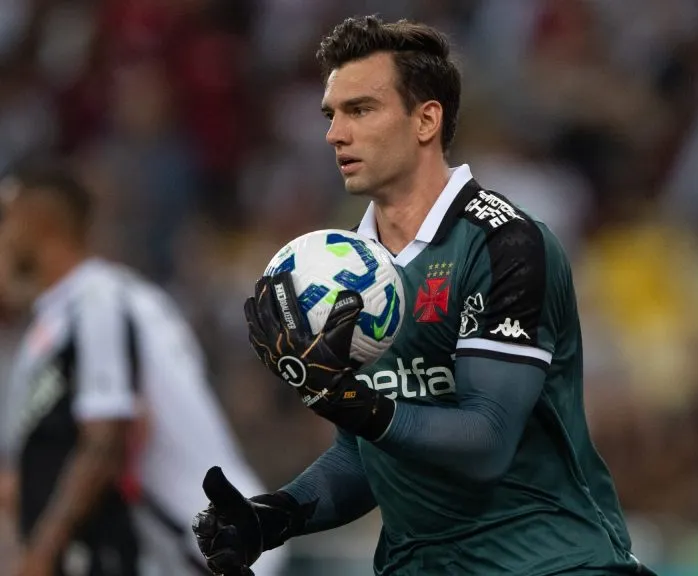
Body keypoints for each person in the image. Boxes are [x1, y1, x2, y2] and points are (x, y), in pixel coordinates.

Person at [192, 15, 656, 576]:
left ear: (426, 120)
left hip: (551, 562)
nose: (335, 133)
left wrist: (340, 399)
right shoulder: (347, 269)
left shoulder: (504, 243)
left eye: (360, 110)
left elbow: (485, 441)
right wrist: (277, 517)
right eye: (331, 114)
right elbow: (364, 454)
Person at [0, 160, 286, 576]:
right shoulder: (59, 321)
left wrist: (41, 555)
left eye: (5, 217)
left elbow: (107, 440)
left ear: (39, 221)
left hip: (210, 549)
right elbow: (24, 476)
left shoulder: (99, 301)